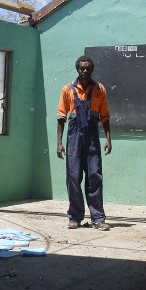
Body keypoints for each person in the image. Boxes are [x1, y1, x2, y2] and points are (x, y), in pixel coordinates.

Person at [56, 55, 112, 230]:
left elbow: (105, 116)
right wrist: (59, 142)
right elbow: (61, 117)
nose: (85, 71)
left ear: (92, 69)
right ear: (77, 69)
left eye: (88, 68)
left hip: (92, 137)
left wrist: (109, 139)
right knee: (73, 178)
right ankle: (75, 217)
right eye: (82, 68)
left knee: (94, 176)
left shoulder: (99, 89)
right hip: (74, 136)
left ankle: (98, 218)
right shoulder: (67, 89)